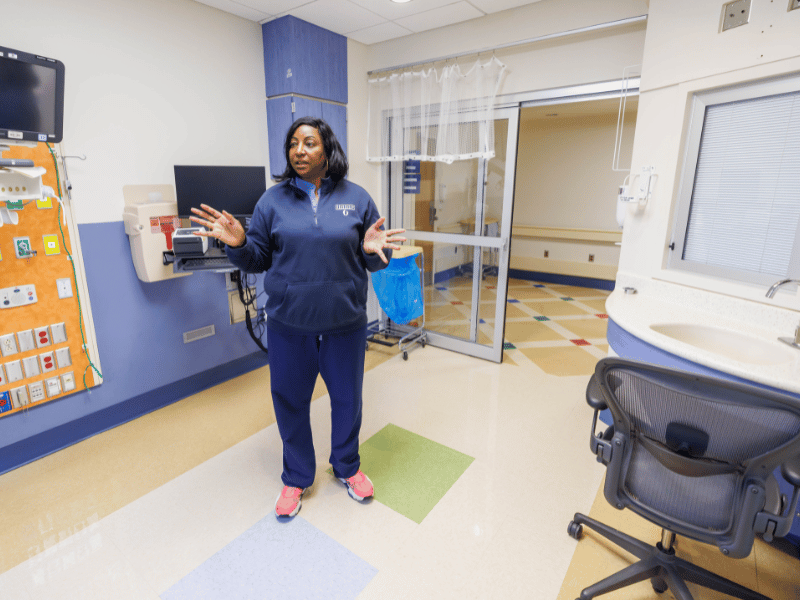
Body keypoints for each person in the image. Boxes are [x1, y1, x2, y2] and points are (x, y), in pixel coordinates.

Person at [190, 117, 406, 518]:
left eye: (309, 142)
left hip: (345, 324)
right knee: (290, 402)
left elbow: (375, 259)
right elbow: (257, 258)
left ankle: (347, 467)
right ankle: (297, 476)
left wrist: (376, 250)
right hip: (290, 326)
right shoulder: (271, 202)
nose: (299, 150)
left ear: (327, 150)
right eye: (293, 144)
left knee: (347, 400)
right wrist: (238, 242)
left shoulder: (357, 198)